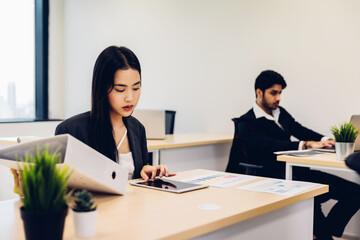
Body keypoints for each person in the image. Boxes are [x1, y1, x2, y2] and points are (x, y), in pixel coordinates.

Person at [226, 70, 360, 240]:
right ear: (259, 92)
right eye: (273, 93)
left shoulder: (281, 113)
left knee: (355, 191)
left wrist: (326, 140)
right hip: (270, 176)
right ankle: (323, 234)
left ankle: (325, 231)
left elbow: (300, 130)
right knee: (312, 200)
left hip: (296, 172)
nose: (278, 98)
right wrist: (305, 144)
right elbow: (268, 145)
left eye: (280, 93)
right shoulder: (245, 122)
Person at [55, 46, 175, 181]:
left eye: (136, 88)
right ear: (102, 88)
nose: (130, 97)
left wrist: (145, 170)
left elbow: (133, 182)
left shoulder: (138, 129)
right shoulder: (72, 131)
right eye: (120, 89)